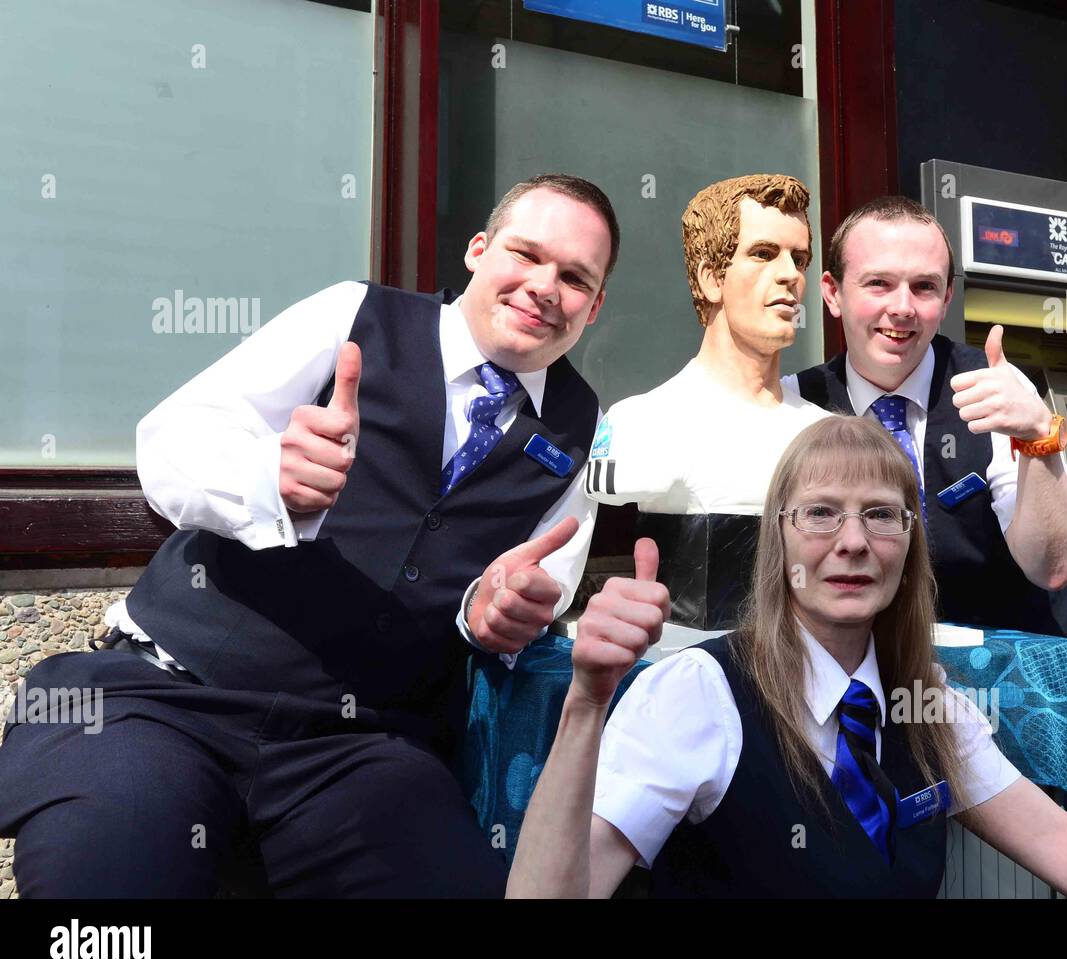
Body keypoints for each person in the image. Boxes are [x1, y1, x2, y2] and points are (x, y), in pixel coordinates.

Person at [0, 173, 617, 898]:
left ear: (595, 305)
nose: (545, 286)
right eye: (526, 253)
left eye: (575, 277)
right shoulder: (355, 315)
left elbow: (539, 581)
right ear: (479, 250)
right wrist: (268, 477)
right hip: (166, 699)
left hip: (361, 749)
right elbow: (171, 442)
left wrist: (491, 614)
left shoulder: (580, 428)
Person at [505, 415, 1067, 898]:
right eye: (821, 514)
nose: (853, 541)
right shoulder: (698, 693)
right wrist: (585, 704)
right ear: (780, 538)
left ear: (909, 545)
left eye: (880, 515)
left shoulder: (931, 712)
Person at [788, 195, 1067, 897]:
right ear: (832, 294)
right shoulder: (798, 406)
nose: (901, 307)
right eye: (878, 284)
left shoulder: (996, 388)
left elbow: (1055, 564)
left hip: (1043, 643)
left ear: (947, 298)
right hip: (888, 664)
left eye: (923, 288)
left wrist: (1039, 437)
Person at [584, 174, 829, 630]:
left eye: (800, 259)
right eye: (762, 253)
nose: (790, 275)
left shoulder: (821, 434)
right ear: (711, 278)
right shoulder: (644, 423)